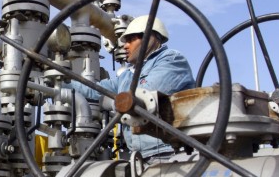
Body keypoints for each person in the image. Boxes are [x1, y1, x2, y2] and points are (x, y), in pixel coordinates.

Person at [67, 15, 195, 162]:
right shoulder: (127, 75)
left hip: (170, 153)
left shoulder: (172, 60)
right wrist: (56, 79)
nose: (125, 46)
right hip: (139, 156)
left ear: (150, 38)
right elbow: (93, 89)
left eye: (131, 40)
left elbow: (142, 98)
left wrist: (112, 103)